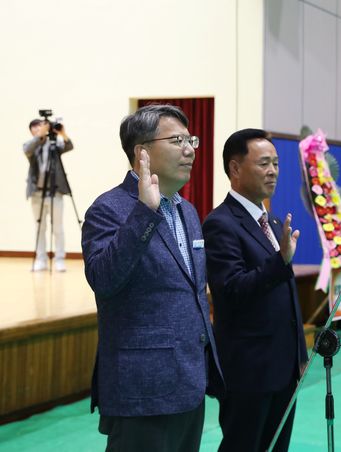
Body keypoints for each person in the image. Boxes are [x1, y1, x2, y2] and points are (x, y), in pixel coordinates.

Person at [81, 105, 222, 452]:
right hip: (143, 389)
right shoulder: (109, 208)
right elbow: (103, 278)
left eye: (191, 140)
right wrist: (145, 212)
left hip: (189, 383)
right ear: (142, 151)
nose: (190, 149)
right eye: (177, 140)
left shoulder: (187, 210)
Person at [203, 128, 308, 452]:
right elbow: (232, 289)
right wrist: (280, 262)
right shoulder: (221, 223)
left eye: (276, 163)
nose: (273, 171)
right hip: (249, 370)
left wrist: (300, 355)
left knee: (277, 446)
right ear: (235, 169)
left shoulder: (273, 223)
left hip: (283, 368)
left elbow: (286, 295)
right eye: (264, 163)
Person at [23, 118, 74, 271]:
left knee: (58, 227)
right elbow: (27, 149)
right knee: (40, 228)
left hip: (55, 192)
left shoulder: (55, 145)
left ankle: (59, 259)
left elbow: (69, 145)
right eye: (37, 128)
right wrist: (41, 135)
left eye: (42, 127)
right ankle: (41, 260)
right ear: (33, 131)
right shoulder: (31, 145)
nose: (41, 130)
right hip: (37, 194)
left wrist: (63, 133)